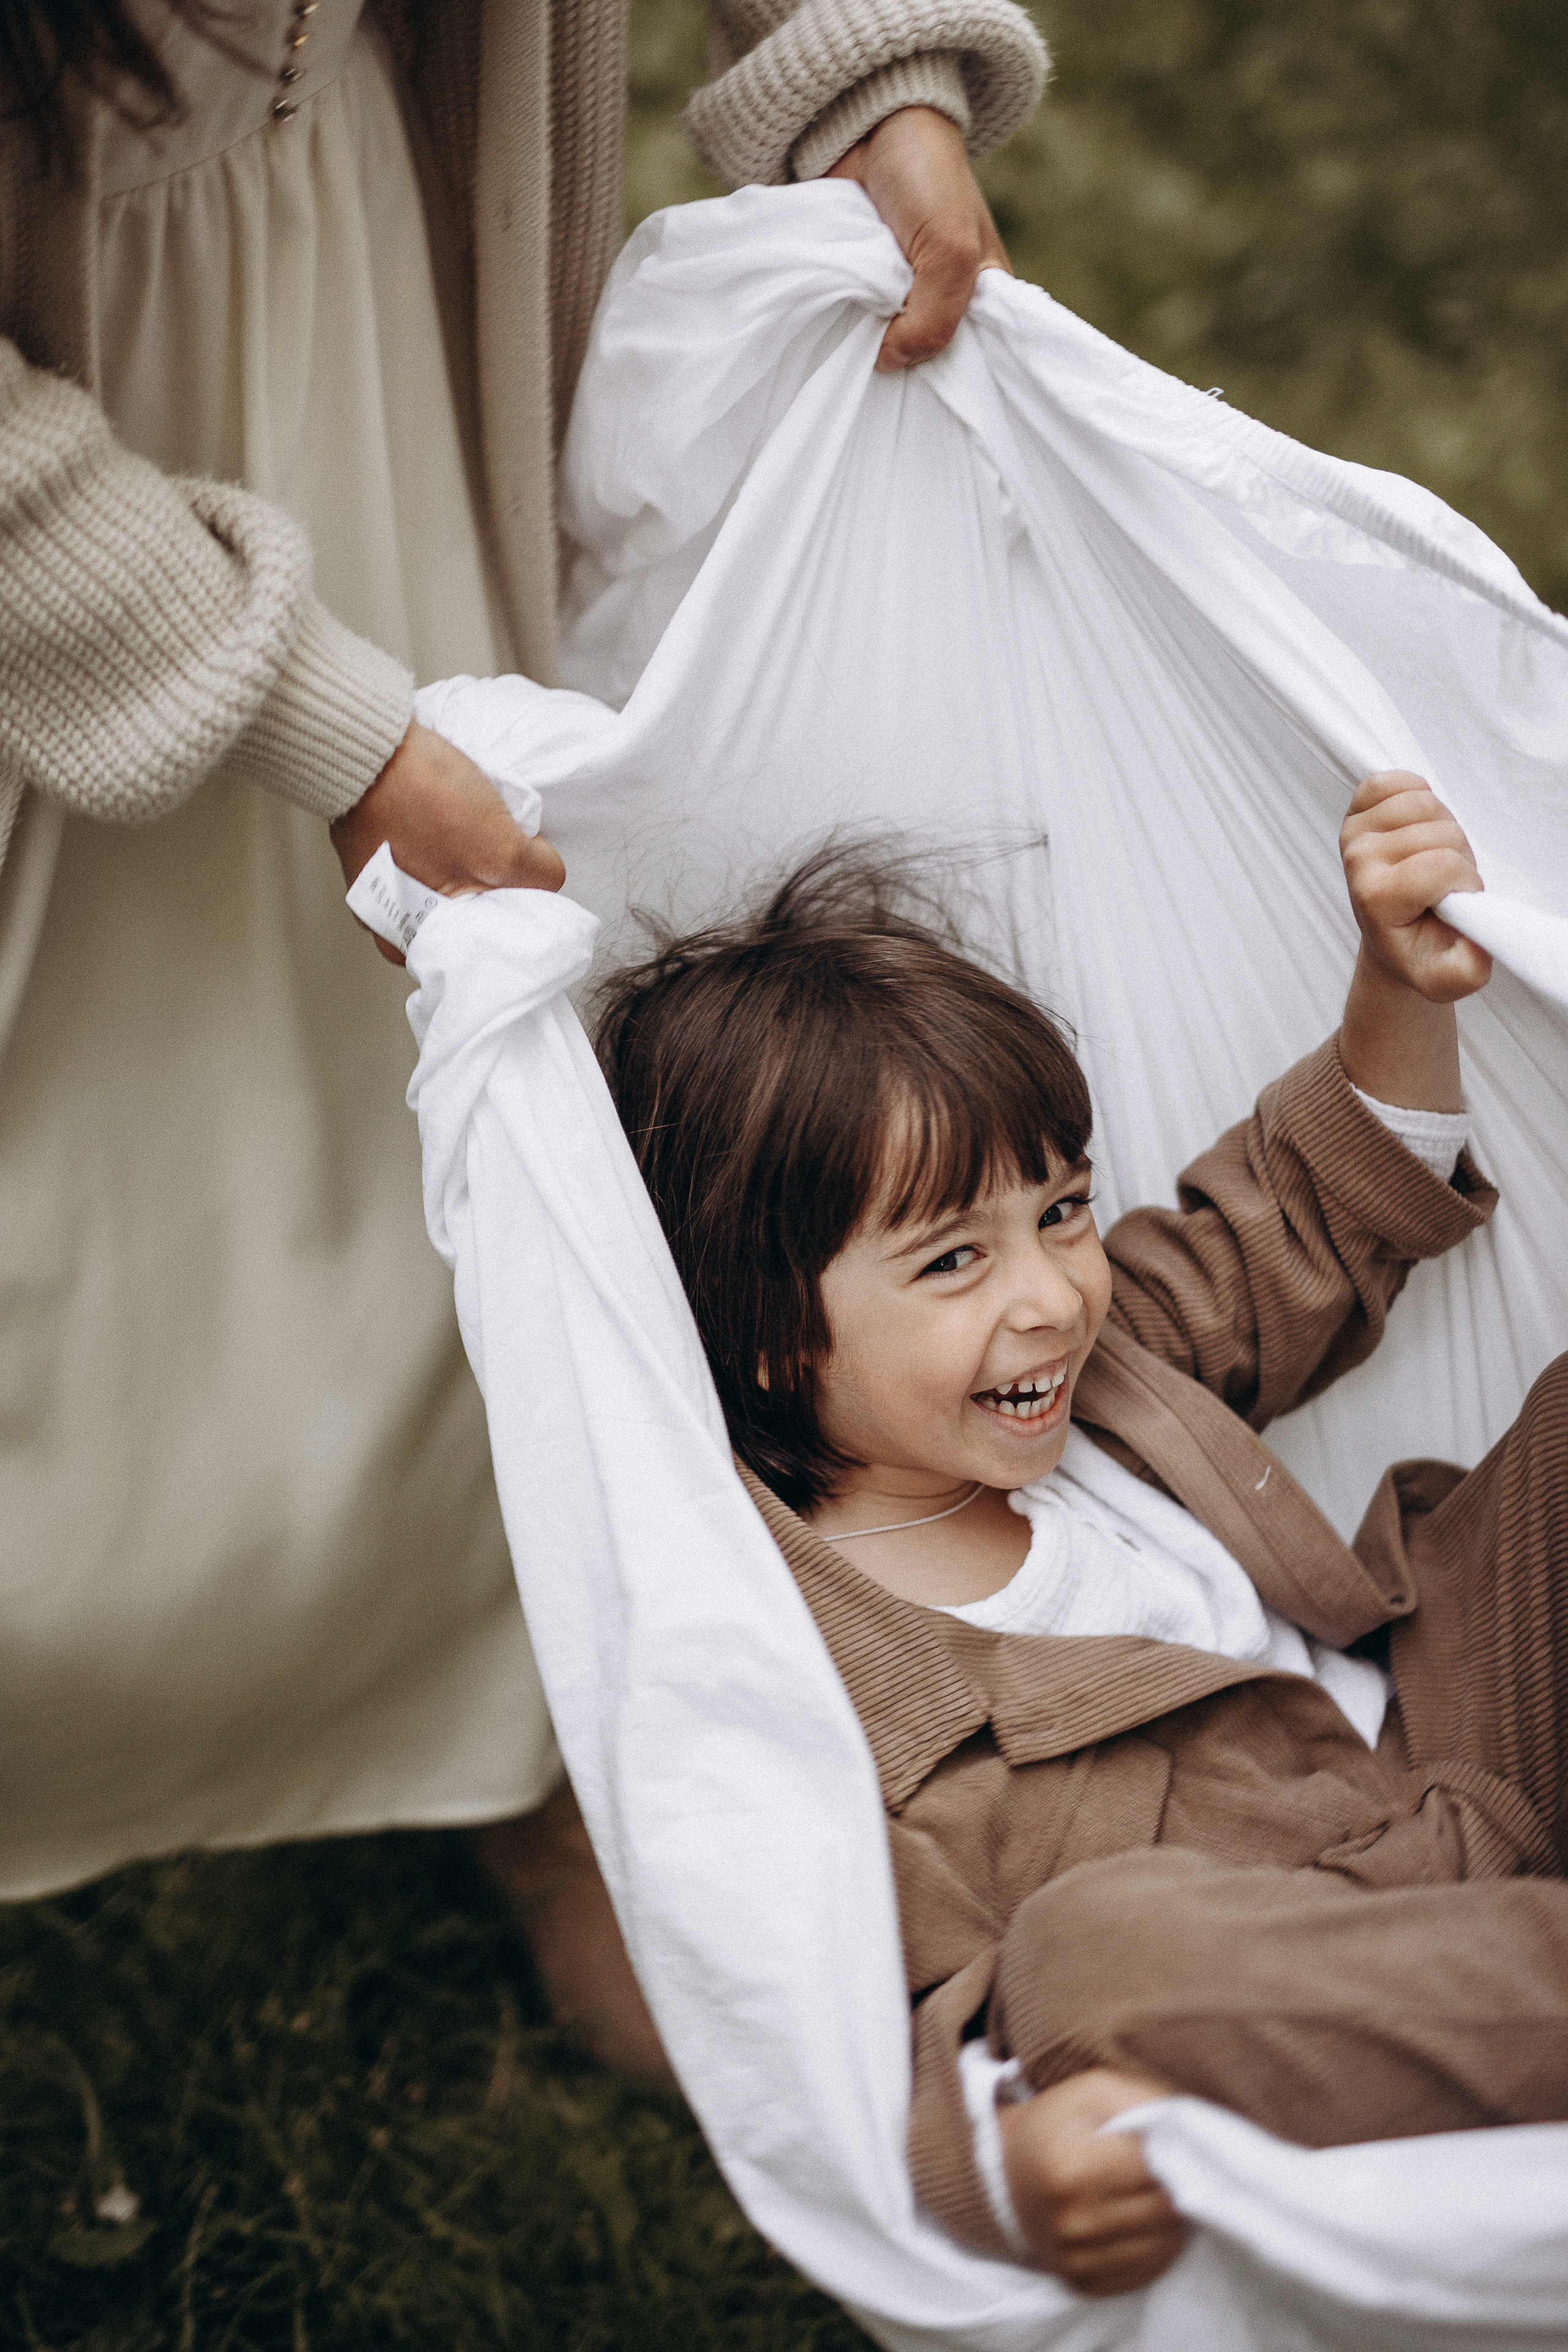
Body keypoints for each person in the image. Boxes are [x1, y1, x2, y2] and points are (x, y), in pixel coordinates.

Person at [0, 0, 1047, 2067]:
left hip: (377, 275)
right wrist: (309, 713)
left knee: (461, 1128)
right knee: (88, 1180)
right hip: (64, 379)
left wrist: (862, 65)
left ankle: (530, 1716)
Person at [593, 771, 1568, 2291]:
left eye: (1056, 1210)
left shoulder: (1091, 1376)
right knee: (1086, 1966)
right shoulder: (801, 1668)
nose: (1048, 1291)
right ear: (771, 1332)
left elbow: (1296, 1223)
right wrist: (996, 2175)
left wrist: (1396, 979)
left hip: (1449, 1750)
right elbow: (843, 2021)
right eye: (949, 1262)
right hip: (1303, 1948)